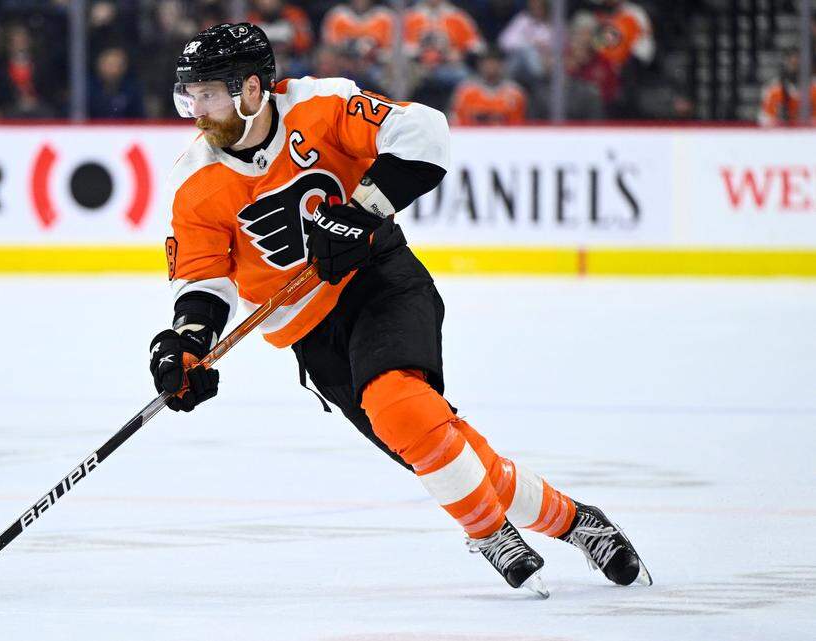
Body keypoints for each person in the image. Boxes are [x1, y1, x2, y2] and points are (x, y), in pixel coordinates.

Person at [151, 22, 653, 596]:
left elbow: (423, 133)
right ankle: (577, 521)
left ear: (250, 89)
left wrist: (364, 209)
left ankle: (487, 531)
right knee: (436, 439)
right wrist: (186, 343)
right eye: (189, 96)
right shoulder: (193, 182)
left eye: (208, 94)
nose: (195, 110)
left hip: (380, 280)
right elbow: (204, 280)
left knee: (396, 403)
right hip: (312, 336)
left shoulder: (321, 104)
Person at [449, 48, 526, 125]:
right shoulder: (465, 91)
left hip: (505, 135)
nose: (491, 67)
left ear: (502, 65)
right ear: (480, 65)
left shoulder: (515, 93)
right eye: (488, 63)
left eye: (494, 63)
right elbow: (457, 121)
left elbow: (518, 125)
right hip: (473, 135)